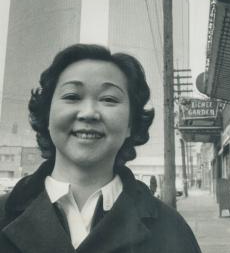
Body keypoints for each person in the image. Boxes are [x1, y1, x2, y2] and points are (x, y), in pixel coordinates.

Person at [0, 44, 201, 253]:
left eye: (108, 99)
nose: (89, 113)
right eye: (72, 96)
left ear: (131, 124)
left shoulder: (171, 230)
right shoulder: (3, 215)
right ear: (47, 115)